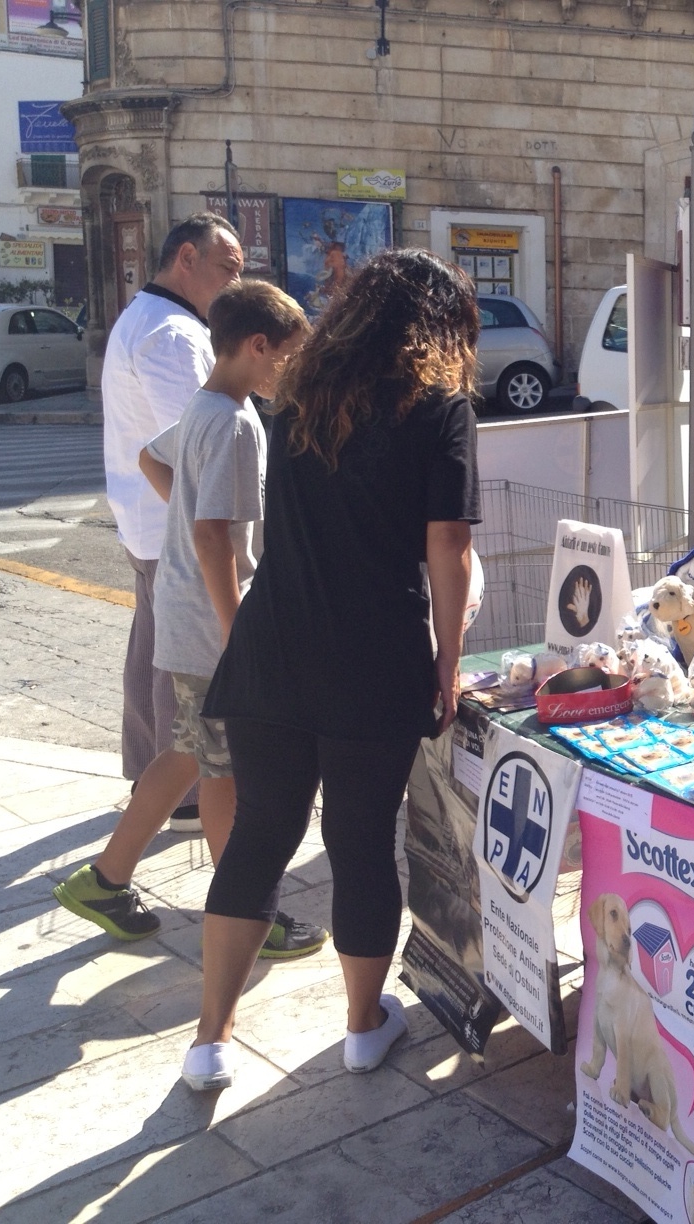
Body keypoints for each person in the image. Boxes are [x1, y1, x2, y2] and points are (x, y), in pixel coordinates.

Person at [181, 249, 481, 1091]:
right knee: (356, 841)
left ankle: (210, 1040)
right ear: (441, 328)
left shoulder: (299, 392)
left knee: (260, 834)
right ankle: (360, 1027)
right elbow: (448, 545)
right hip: (372, 655)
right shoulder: (438, 408)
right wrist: (450, 659)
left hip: (275, 643)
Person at [54, 279, 327, 960]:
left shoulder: (206, 408)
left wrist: (186, 516)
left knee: (186, 754)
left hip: (184, 610)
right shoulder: (237, 425)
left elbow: (152, 458)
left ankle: (105, 879)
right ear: (258, 347)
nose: (289, 375)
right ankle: (245, 911)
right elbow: (212, 537)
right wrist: (239, 634)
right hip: (211, 628)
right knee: (223, 772)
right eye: (289, 360)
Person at [102, 214, 244, 828]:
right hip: (171, 525)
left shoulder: (144, 317)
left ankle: (146, 777)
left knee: (151, 648)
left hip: (145, 518)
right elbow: (194, 440)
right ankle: (181, 794)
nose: (236, 283)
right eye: (228, 268)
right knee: (180, 659)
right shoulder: (174, 335)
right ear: (186, 258)